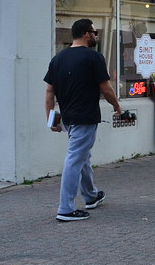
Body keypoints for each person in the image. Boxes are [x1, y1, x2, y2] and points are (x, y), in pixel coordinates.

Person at [44, 18, 121, 222]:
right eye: (95, 32)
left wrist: (50, 119)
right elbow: (106, 88)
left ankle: (90, 195)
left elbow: (49, 91)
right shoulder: (93, 57)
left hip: (68, 117)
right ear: (87, 34)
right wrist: (117, 105)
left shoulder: (58, 58)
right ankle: (65, 208)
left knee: (82, 156)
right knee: (74, 159)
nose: (96, 36)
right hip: (85, 117)